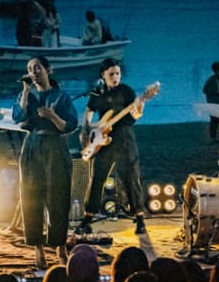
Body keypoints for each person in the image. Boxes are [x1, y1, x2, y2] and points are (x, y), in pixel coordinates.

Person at [12, 56, 78, 269]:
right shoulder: (27, 95)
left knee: (58, 197)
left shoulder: (61, 96)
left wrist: (52, 116)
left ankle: (60, 246)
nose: (34, 72)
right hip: (32, 146)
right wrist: (25, 92)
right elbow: (18, 118)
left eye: (37, 68)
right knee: (31, 197)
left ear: (48, 70)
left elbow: (70, 125)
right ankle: (37, 247)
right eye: (30, 69)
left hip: (55, 147)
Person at [78, 58, 148, 236]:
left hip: (125, 138)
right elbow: (89, 111)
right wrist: (86, 129)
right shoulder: (97, 92)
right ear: (103, 75)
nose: (115, 77)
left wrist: (140, 107)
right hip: (103, 140)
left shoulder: (127, 91)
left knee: (132, 178)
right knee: (97, 179)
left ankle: (140, 218)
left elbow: (135, 116)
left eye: (118, 73)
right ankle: (88, 218)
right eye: (111, 74)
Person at [202, 61, 219, 140]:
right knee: (213, 119)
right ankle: (212, 136)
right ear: (215, 70)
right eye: (218, 70)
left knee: (216, 119)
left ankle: (214, 136)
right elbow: (204, 90)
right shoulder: (211, 80)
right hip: (212, 102)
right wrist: (214, 92)